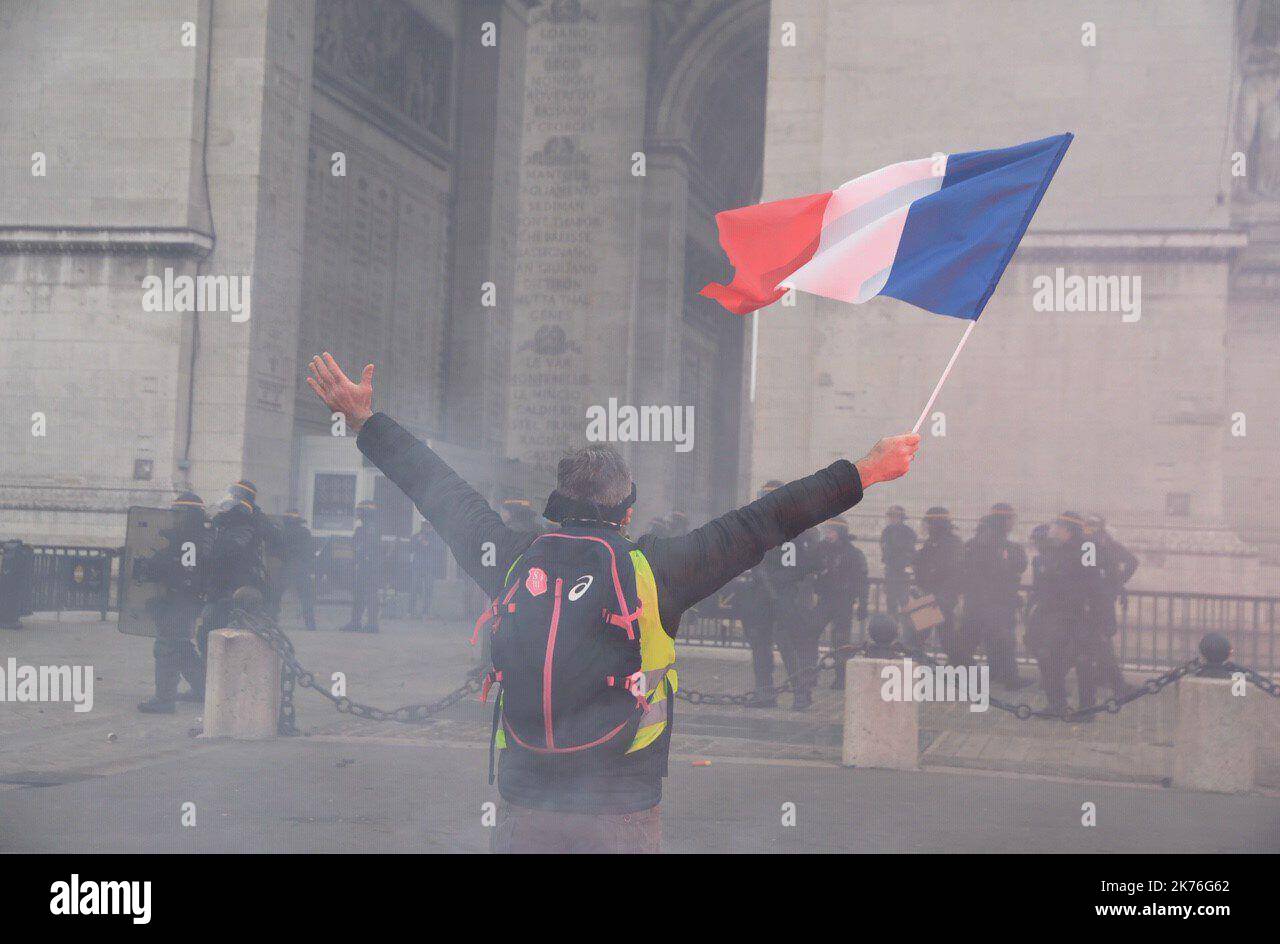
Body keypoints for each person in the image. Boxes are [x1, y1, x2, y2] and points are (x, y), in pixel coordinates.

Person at [306, 352, 919, 853]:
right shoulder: (657, 571)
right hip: (621, 801)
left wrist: (366, 421)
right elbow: (767, 520)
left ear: (557, 503)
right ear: (627, 509)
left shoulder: (510, 557)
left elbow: (436, 488)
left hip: (525, 794)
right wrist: (866, 469)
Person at [137, 492, 209, 713]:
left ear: (188, 515)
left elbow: (183, 570)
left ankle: (165, 699)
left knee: (166, 647)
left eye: (178, 514)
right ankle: (203, 690)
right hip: (185, 600)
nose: (174, 518)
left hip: (178, 600)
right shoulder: (199, 536)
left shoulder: (188, 539)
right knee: (181, 646)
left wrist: (153, 568)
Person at [1025, 511, 1098, 715]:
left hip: (1077, 614)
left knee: (1083, 662)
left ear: (1067, 529)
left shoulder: (1086, 548)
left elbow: (1091, 583)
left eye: (1057, 527)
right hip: (1055, 614)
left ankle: (1086, 708)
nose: (1054, 530)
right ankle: (1057, 705)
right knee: (1050, 658)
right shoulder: (1057, 551)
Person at [198, 480, 270, 656]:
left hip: (237, 585)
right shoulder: (227, 522)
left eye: (236, 496)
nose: (230, 500)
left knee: (231, 633)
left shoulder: (247, 521)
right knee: (208, 632)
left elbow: (232, 550)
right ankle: (209, 676)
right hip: (222, 585)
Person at [961, 504, 1029, 688]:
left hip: (976, 601)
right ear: (1003, 521)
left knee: (970, 639)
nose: (1012, 523)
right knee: (1003, 640)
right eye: (1010, 519)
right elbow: (1015, 567)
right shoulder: (1003, 546)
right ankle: (1008, 678)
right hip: (997, 602)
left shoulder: (974, 544)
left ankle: (963, 674)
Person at [1084, 514, 1138, 698]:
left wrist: (1115, 584)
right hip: (1103, 598)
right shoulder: (1108, 544)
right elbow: (1131, 562)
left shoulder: (1091, 545)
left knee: (1100, 641)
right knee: (1101, 640)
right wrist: (1117, 584)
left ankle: (1114, 682)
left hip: (1094, 600)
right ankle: (1108, 679)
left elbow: (1088, 575)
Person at [814, 517, 869, 689]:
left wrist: (863, 604)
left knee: (841, 641)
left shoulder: (853, 554)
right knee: (809, 634)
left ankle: (841, 678)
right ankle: (809, 674)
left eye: (831, 531)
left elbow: (861, 581)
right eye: (827, 531)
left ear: (840, 533)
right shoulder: (821, 550)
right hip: (825, 600)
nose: (827, 535)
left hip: (843, 602)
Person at [913, 507, 965, 662]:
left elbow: (952, 572)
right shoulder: (935, 542)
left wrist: (942, 596)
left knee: (931, 637)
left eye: (929, 523)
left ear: (936, 524)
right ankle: (963, 667)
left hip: (940, 598)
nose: (926, 527)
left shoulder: (950, 544)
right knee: (938, 637)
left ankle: (963, 667)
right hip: (933, 597)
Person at [342, 499, 381, 633]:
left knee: (370, 594)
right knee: (359, 593)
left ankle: (372, 624)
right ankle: (355, 621)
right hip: (364, 565)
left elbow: (366, 546)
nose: (358, 513)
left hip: (370, 566)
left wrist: (360, 555)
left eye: (360, 511)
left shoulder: (371, 528)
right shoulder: (364, 527)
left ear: (366, 512)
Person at [278, 510, 317, 631]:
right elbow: (311, 551)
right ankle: (310, 623)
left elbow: (278, 550)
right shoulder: (305, 532)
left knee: (275, 594)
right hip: (302, 568)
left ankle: (271, 618)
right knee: (306, 597)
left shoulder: (282, 532)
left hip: (287, 567)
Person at [879, 505, 916, 615]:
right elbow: (884, 549)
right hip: (890, 571)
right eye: (890, 516)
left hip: (902, 572)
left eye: (894, 516)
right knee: (891, 602)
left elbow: (909, 552)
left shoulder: (907, 532)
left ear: (900, 518)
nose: (892, 519)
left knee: (904, 601)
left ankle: (906, 628)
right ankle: (892, 627)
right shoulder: (886, 531)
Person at [409, 523, 435, 618]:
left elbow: (438, 550)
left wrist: (428, 544)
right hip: (417, 567)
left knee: (428, 589)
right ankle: (411, 611)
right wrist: (418, 541)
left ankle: (425, 612)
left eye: (428, 525)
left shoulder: (434, 537)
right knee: (414, 588)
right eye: (424, 525)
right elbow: (410, 549)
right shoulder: (416, 536)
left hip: (429, 567)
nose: (426, 527)